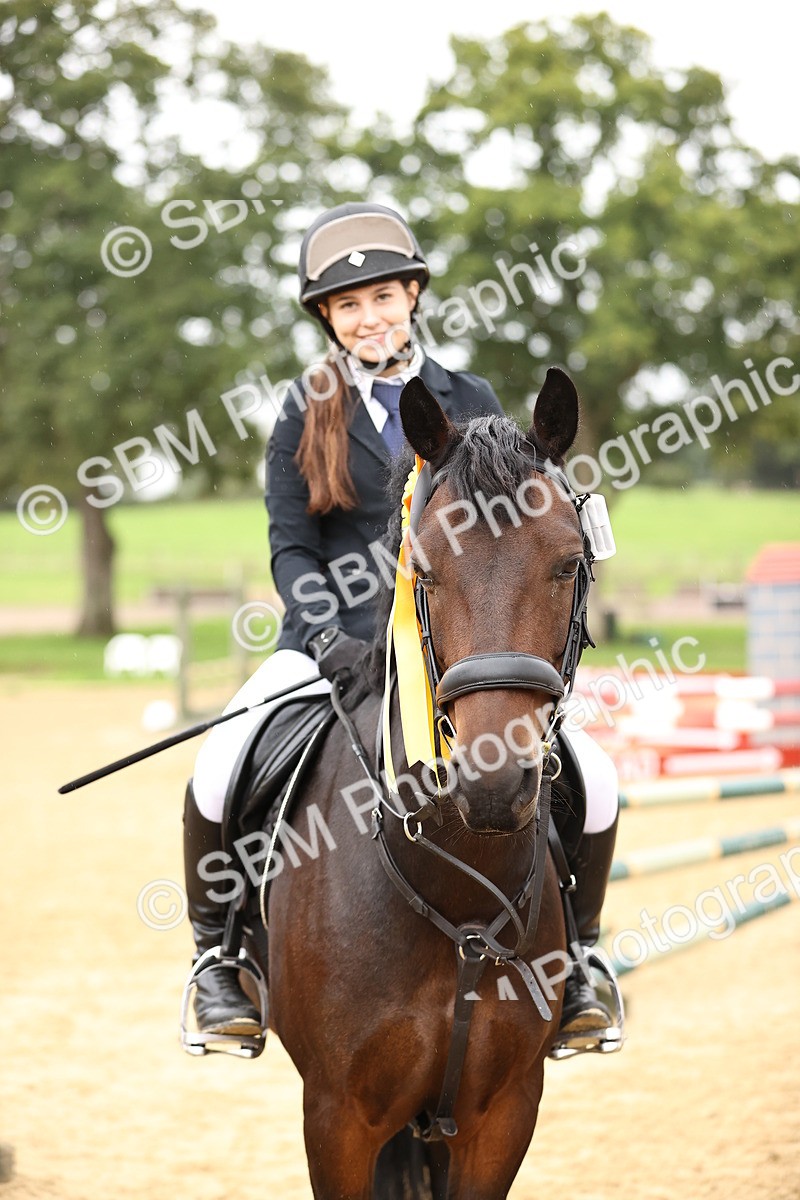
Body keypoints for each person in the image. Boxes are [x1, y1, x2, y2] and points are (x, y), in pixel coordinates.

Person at [182, 201, 620, 1049]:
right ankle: (217, 960)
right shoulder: (302, 411)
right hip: (333, 644)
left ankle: (580, 960)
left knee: (592, 776)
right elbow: (292, 548)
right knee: (219, 762)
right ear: (328, 319)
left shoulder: (471, 397)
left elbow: (505, 534)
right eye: (348, 306)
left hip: (458, 641)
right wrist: (328, 641)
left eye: (383, 297)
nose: (369, 317)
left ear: (413, 295)